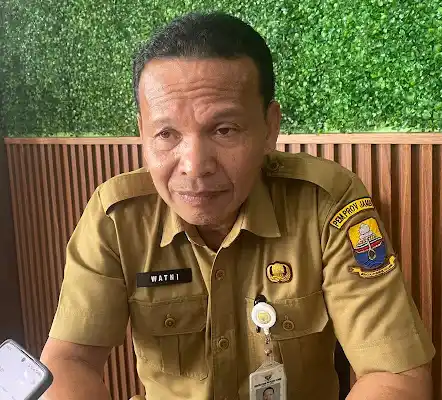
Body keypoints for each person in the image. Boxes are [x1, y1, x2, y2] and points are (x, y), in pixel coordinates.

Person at [40, 11, 435, 400]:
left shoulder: (325, 203)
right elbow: (69, 361)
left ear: (269, 127)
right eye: (166, 134)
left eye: (224, 129)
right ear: (143, 132)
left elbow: (396, 375)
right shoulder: (117, 217)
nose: (195, 166)